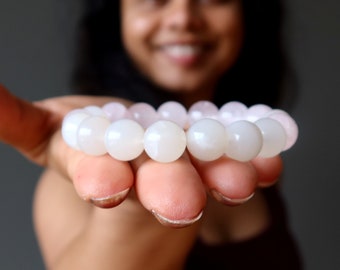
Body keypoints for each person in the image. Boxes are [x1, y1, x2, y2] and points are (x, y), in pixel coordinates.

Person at [0, 0, 302, 269]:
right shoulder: (74, 179)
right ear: (116, 12)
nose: (182, 17)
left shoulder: (249, 151)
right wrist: (133, 208)